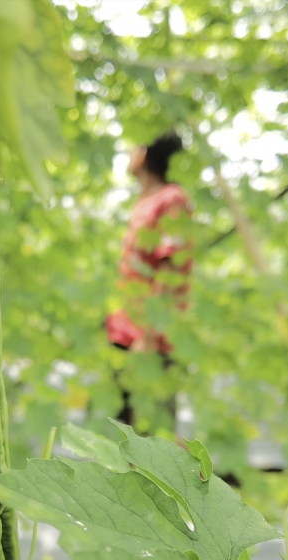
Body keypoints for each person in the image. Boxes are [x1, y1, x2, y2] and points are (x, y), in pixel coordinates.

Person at [106, 131, 193, 426]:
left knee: (156, 435)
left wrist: (149, 335)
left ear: (143, 155)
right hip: (123, 332)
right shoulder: (144, 200)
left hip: (151, 339)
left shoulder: (172, 199)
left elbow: (170, 270)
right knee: (122, 429)